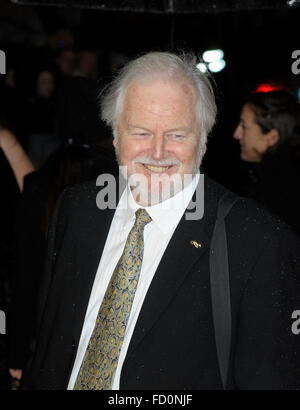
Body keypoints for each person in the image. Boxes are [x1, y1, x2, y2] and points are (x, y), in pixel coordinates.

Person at [24, 52, 300, 390]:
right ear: (114, 135)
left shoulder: (259, 244)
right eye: (140, 132)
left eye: (177, 135)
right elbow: (48, 347)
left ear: (204, 138)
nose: (157, 153)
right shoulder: (77, 209)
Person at [233, 90, 300, 237]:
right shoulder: (265, 178)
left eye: (244, 126)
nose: (236, 134)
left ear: (272, 137)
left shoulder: (278, 193)